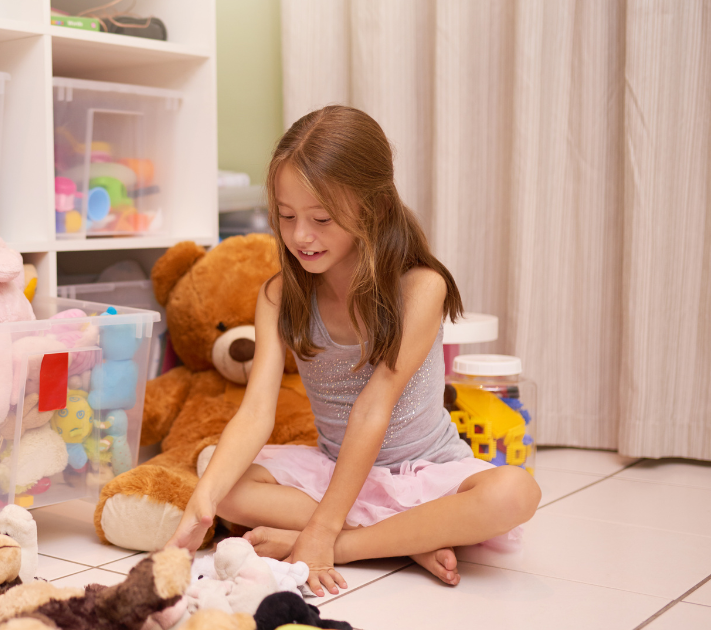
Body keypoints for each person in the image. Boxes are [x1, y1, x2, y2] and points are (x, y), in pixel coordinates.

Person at [165, 106, 540, 597]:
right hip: (336, 471)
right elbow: (256, 411)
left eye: (321, 219)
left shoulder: (420, 288)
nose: (301, 235)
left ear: (374, 209)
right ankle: (409, 538)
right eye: (286, 216)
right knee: (219, 473)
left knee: (515, 492)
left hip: (426, 472)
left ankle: (352, 543)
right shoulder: (279, 296)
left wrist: (322, 537)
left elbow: (372, 410)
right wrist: (202, 504)